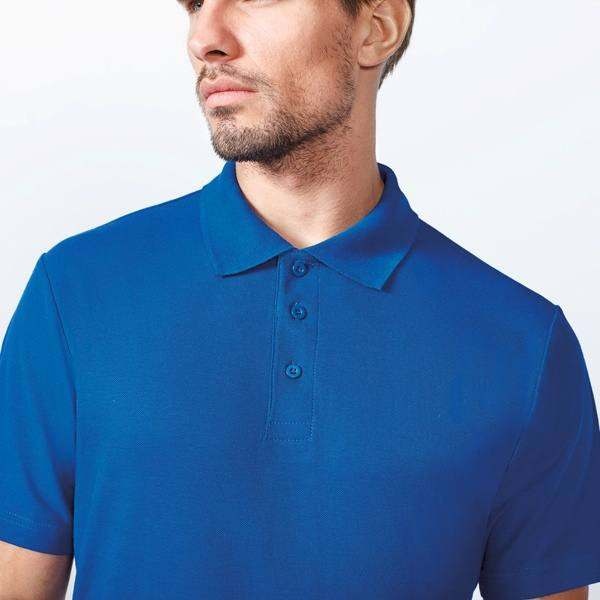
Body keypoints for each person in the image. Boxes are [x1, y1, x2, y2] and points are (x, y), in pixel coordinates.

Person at [1, 1, 599, 598]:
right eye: (196, 4)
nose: (205, 37)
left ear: (377, 28)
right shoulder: (74, 293)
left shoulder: (525, 347)